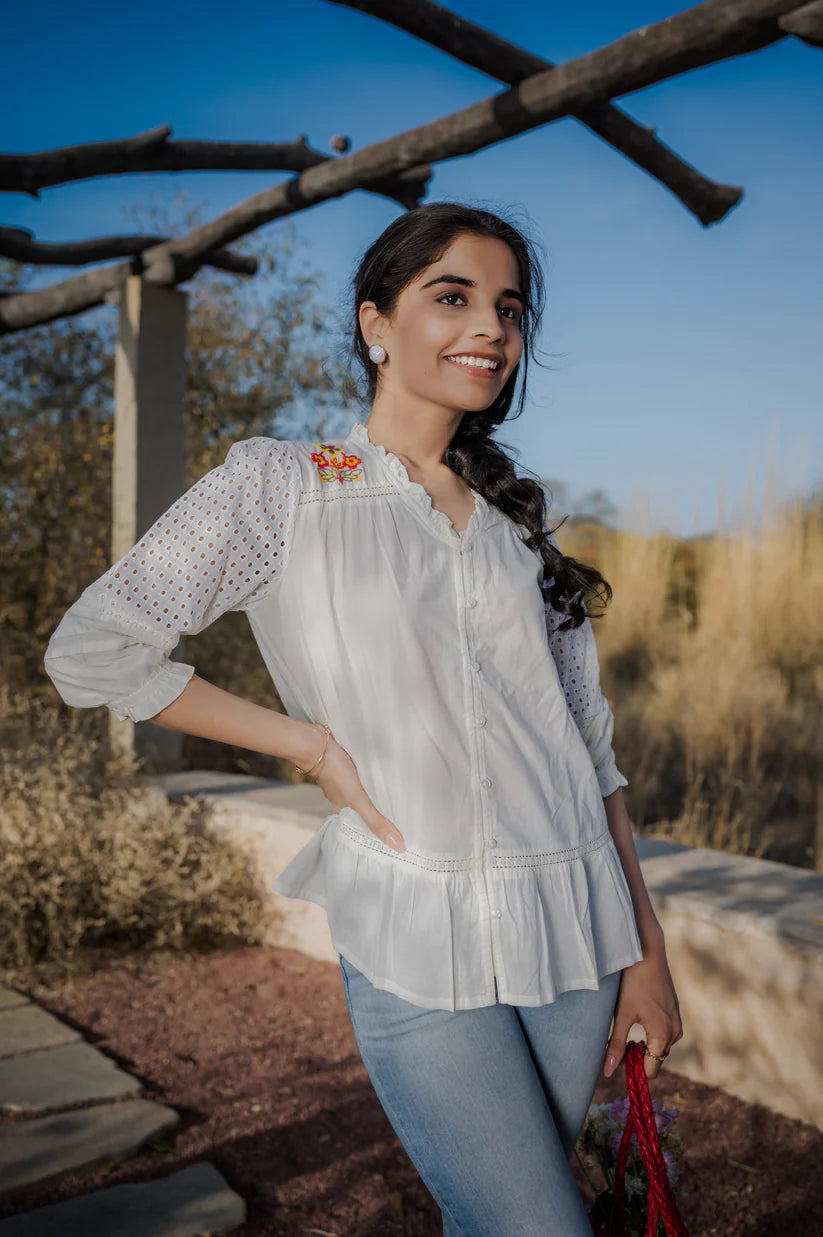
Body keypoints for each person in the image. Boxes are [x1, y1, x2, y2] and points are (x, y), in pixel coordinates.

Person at [44, 201, 683, 1235]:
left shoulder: (520, 526)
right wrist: (309, 746)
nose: (491, 328)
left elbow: (588, 754)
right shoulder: (279, 488)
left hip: (576, 923)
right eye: (453, 297)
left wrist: (647, 953)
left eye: (508, 308)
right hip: (411, 933)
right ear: (374, 323)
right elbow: (90, 651)